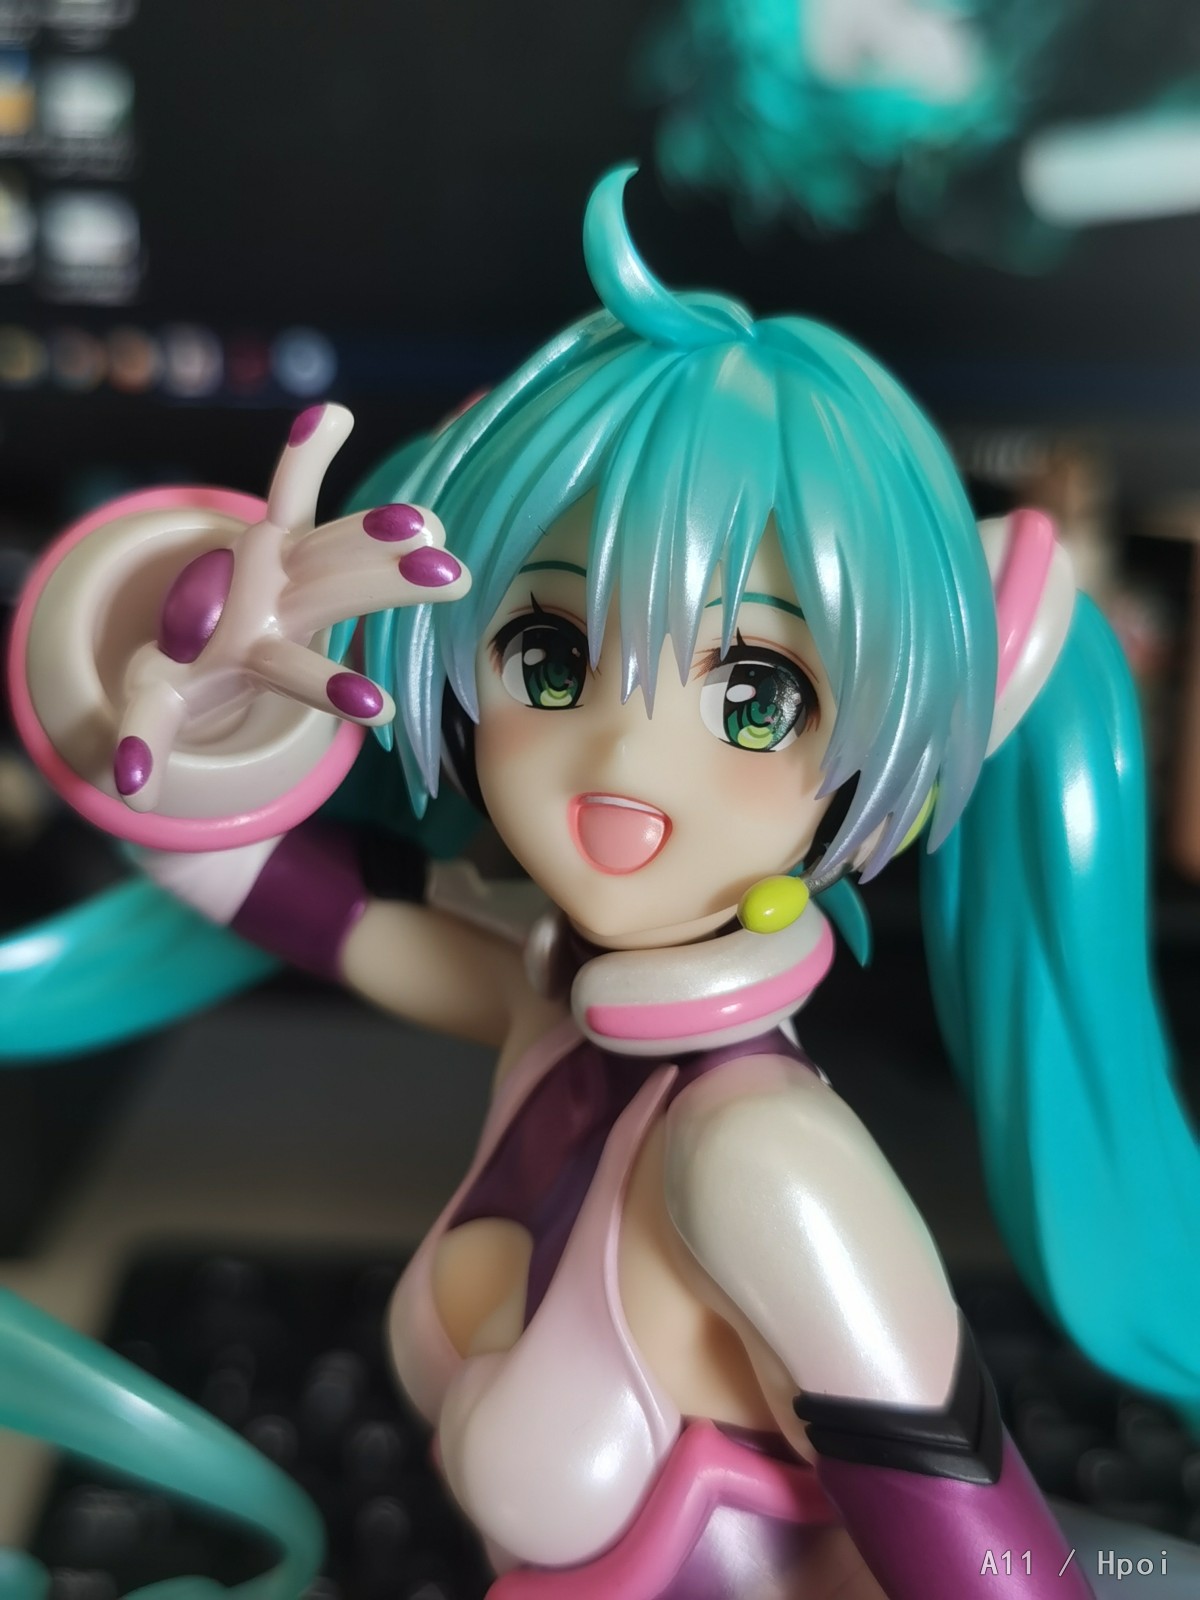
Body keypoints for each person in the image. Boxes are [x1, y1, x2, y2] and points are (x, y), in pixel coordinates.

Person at [4, 165, 1199, 1598]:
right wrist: (193, 716)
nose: (626, 755)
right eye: (552, 658)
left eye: (754, 695)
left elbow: (1006, 1577)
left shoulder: (764, 1159)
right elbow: (295, 901)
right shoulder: (560, 1011)